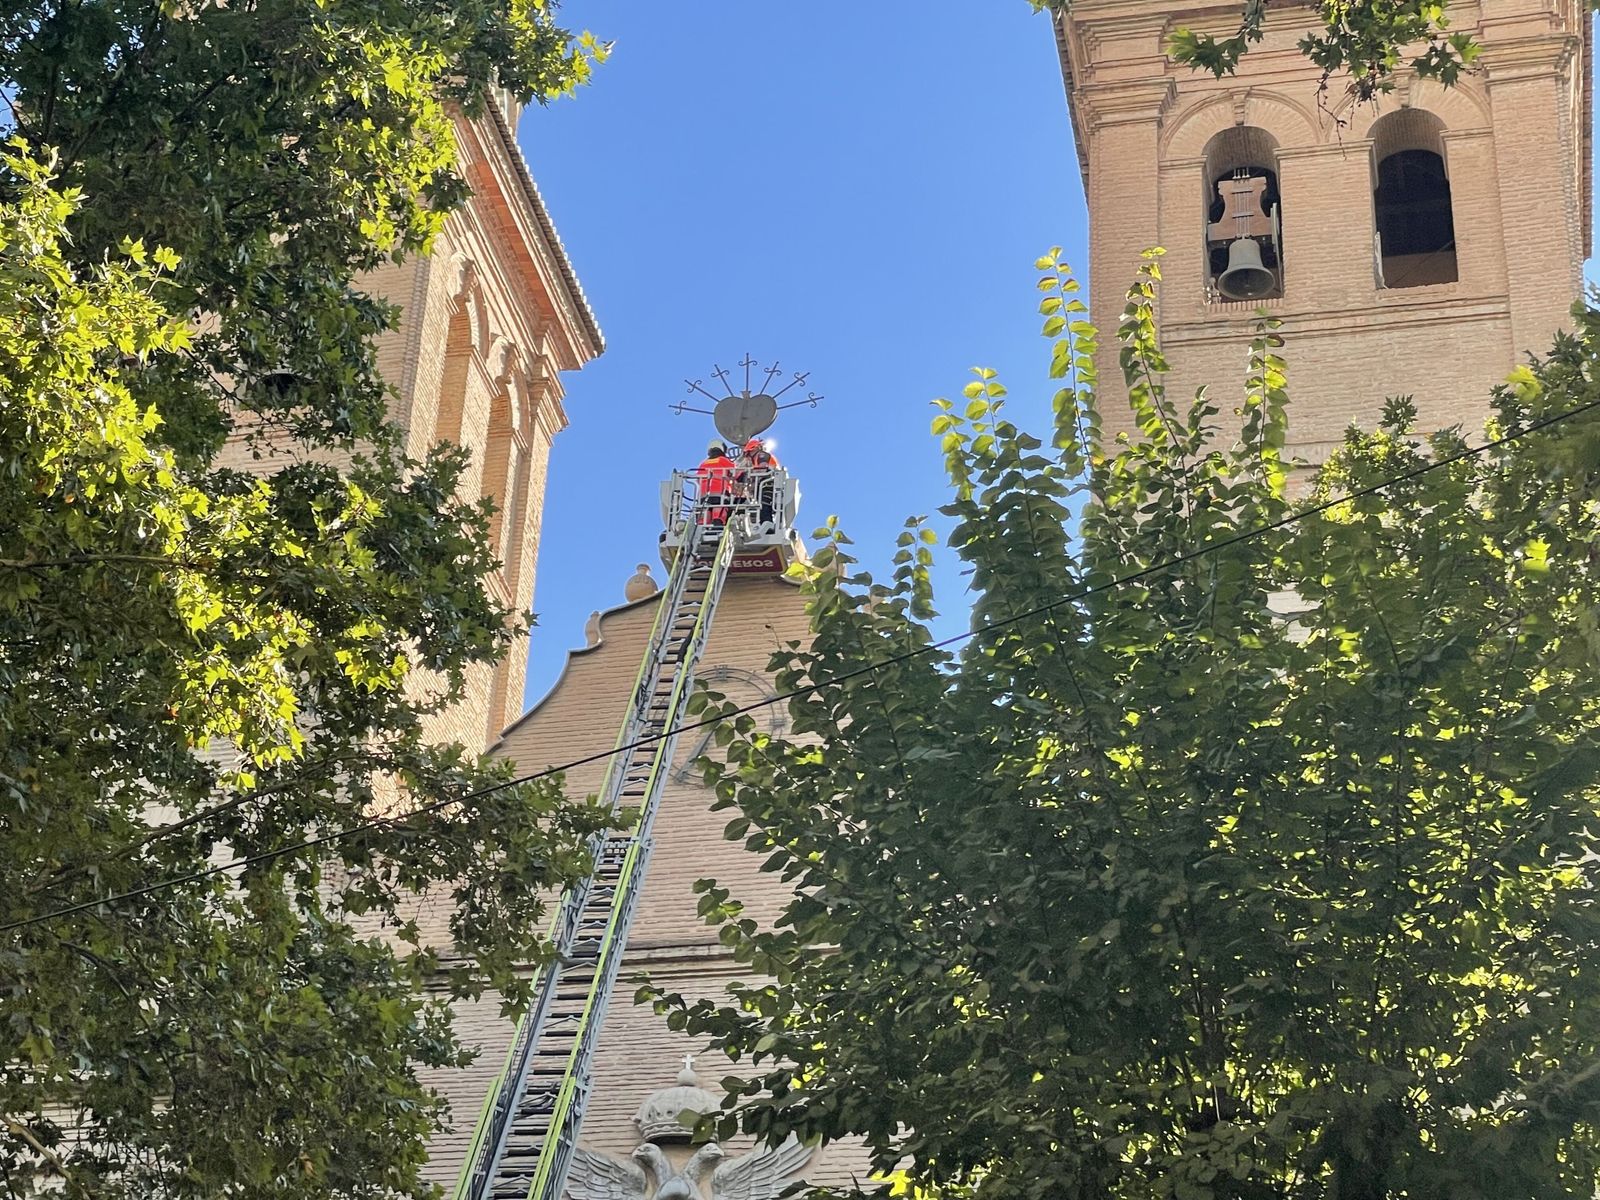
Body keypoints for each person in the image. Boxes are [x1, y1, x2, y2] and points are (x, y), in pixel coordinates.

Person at [741, 438, 780, 532]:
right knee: (762, 505)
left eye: (749, 452)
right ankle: (764, 523)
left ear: (755, 448)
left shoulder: (762, 455)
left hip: (768, 483)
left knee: (765, 504)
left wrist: (749, 476)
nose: (748, 455)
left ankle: (767, 524)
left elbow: (762, 470)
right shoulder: (757, 458)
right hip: (765, 483)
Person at [695, 442, 736, 527]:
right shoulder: (723, 460)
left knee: (703, 522)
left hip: (703, 496)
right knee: (718, 518)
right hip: (719, 493)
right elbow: (736, 472)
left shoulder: (703, 463)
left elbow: (698, 479)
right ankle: (717, 528)